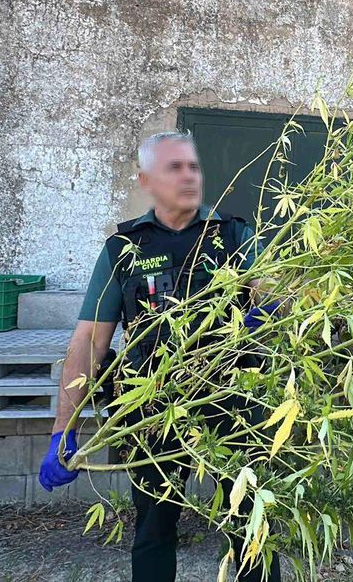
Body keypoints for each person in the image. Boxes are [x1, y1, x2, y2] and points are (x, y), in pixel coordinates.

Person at [38, 130, 281, 581]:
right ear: (146, 179)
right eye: (175, 167)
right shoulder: (123, 249)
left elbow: (277, 299)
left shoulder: (233, 234)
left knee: (251, 525)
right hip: (152, 409)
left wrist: (265, 312)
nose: (189, 176)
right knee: (153, 528)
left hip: (231, 402)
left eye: (193, 166)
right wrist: (62, 430)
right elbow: (89, 340)